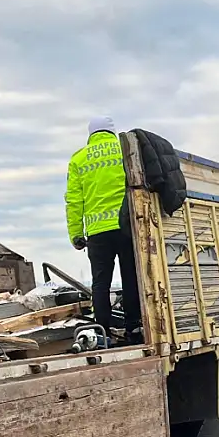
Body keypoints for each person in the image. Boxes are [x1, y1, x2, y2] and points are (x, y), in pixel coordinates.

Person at [65, 116, 140, 341]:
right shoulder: (124, 150)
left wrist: (76, 234)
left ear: (91, 134)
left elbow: (74, 200)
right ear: (111, 132)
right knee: (130, 278)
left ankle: (102, 331)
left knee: (100, 283)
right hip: (126, 227)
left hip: (97, 232)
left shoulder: (78, 159)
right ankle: (134, 327)